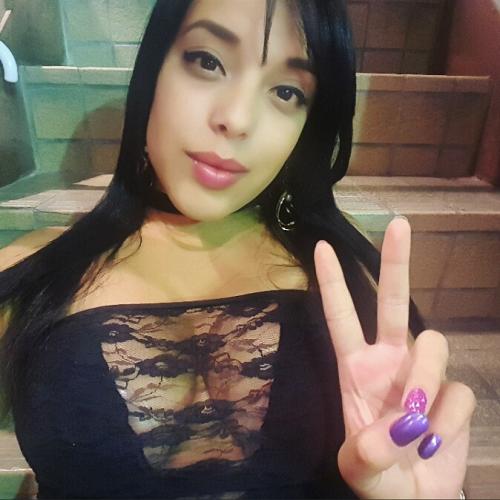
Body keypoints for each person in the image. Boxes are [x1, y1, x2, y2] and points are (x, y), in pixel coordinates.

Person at [0, 0, 475, 498]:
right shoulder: (28, 275)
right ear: (153, 70)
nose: (237, 119)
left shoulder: (339, 268)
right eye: (208, 61)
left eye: (287, 92)